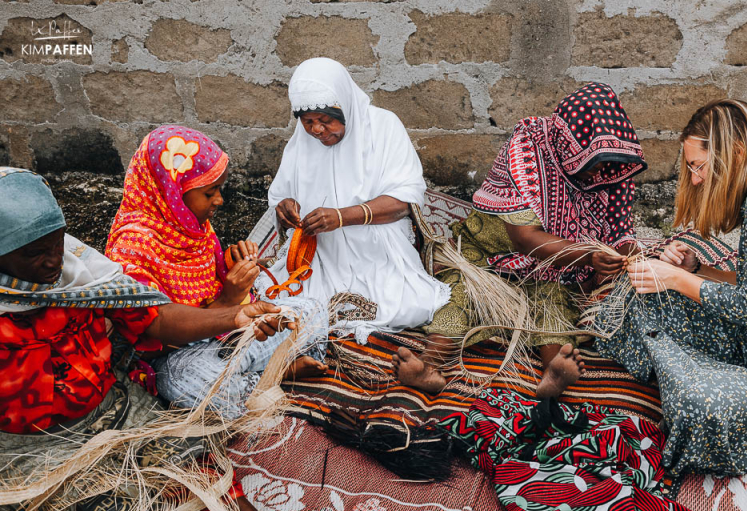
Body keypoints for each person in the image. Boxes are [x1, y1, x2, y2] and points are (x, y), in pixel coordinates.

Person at [0, 167, 304, 511]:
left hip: (114, 412)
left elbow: (155, 320)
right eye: (35, 253)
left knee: (197, 473)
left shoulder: (80, 273)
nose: (54, 260)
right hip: (27, 447)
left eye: (58, 242)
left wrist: (235, 315)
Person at [393, 82, 647, 394]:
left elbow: (621, 229)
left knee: (554, 304)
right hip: (489, 260)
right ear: (568, 146)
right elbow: (525, 239)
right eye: (590, 166)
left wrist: (627, 256)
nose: (598, 175)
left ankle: (554, 370)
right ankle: (429, 364)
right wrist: (589, 255)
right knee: (462, 294)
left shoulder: (614, 165)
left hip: (555, 272)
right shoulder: (526, 150)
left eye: (604, 165)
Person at [596, 99, 747, 476]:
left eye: (698, 167)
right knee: (640, 299)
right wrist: (698, 269)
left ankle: (687, 374)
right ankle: (684, 366)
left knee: (698, 405)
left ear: (736, 153)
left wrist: (675, 277)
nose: (694, 179)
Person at [106, 125, 329, 417]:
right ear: (171, 192)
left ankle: (256, 376)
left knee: (313, 310)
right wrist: (230, 301)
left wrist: (231, 267)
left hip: (229, 335)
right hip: (181, 356)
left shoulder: (190, 224)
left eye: (219, 190)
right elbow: (158, 329)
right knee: (183, 381)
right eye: (210, 192)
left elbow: (207, 288)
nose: (220, 200)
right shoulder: (132, 248)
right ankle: (277, 374)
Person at [261, 57, 451, 347]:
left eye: (326, 121)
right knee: (287, 304)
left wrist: (342, 217)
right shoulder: (301, 142)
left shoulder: (383, 126)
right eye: (308, 122)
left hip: (377, 248)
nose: (317, 131)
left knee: (409, 306)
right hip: (320, 253)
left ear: (345, 107)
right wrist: (285, 208)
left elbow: (405, 200)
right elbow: (280, 195)